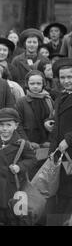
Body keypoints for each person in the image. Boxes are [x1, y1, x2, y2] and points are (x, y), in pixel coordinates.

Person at [0, 108, 36, 226]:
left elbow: (32, 159)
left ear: (16, 125)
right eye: (1, 125)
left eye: (8, 125)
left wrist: (20, 167)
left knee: (14, 217)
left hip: (15, 187)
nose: (5, 128)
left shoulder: (22, 143)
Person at [48, 58, 72, 224]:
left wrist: (68, 140)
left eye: (70, 77)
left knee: (68, 188)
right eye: (63, 78)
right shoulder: (61, 96)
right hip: (59, 152)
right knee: (59, 187)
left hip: (70, 151)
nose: (66, 81)